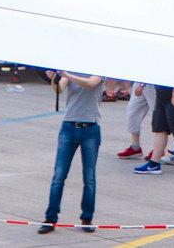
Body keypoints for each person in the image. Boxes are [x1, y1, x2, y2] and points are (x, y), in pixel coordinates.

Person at [40, 72, 104, 235]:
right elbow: (59, 89)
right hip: (68, 127)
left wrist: (65, 74)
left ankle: (87, 218)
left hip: (90, 128)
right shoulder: (71, 70)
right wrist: (53, 79)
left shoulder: (98, 70)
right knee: (58, 176)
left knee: (89, 178)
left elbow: (90, 83)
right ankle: (50, 218)